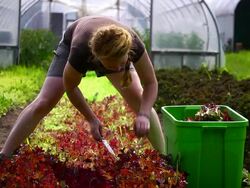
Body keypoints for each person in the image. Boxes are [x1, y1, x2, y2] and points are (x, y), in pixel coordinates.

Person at [0, 16, 166, 158]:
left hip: (110, 48)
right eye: (110, 66)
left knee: (139, 99)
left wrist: (143, 115)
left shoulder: (133, 44)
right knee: (44, 101)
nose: (116, 70)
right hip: (76, 38)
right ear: (96, 58)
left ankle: (164, 159)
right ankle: (4, 156)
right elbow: (70, 87)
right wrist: (91, 119)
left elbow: (151, 83)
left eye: (121, 65)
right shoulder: (79, 50)